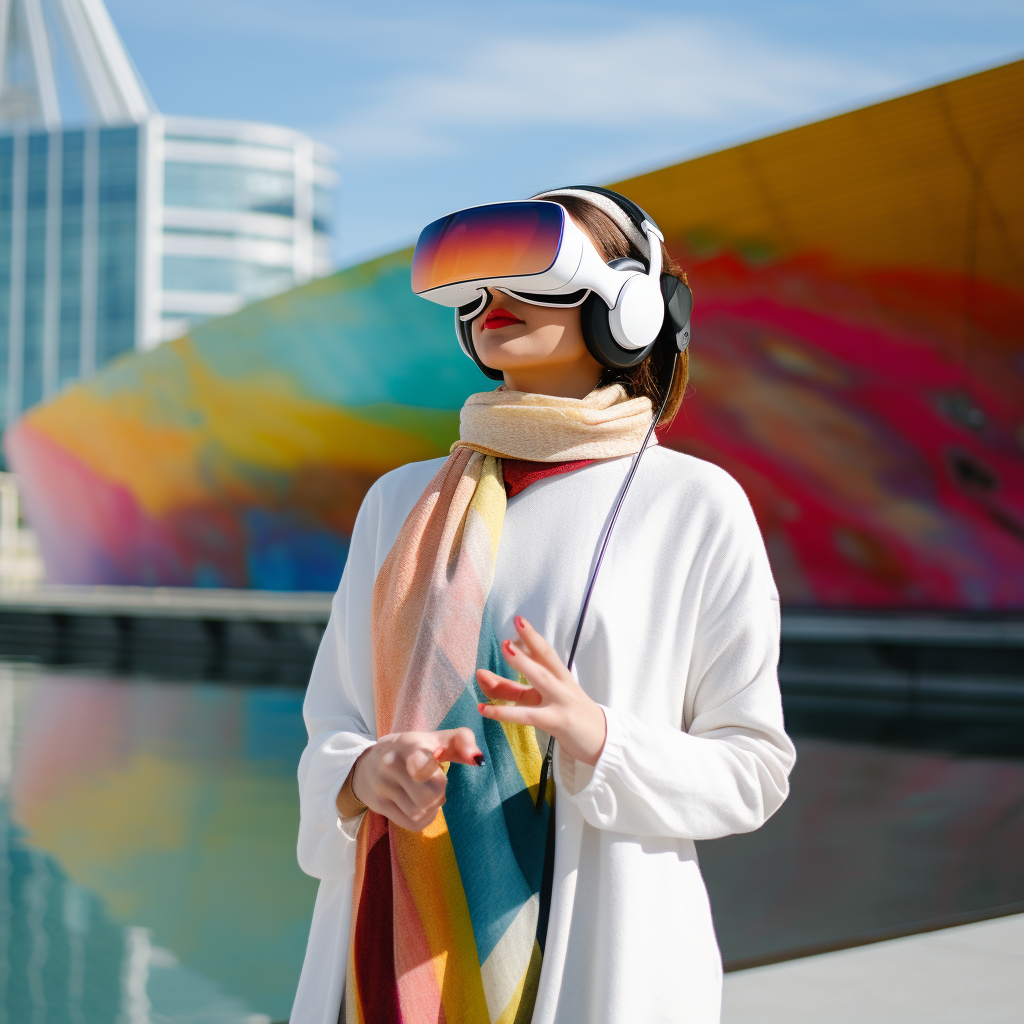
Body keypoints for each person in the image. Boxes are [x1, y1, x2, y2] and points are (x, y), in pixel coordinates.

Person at [291, 186, 795, 1024]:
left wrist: (599, 737)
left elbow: (753, 770)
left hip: (600, 967)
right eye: (479, 288)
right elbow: (331, 726)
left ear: (629, 307)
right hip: (389, 951)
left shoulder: (695, 503)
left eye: (533, 279)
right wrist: (362, 772)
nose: (495, 304)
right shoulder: (397, 501)